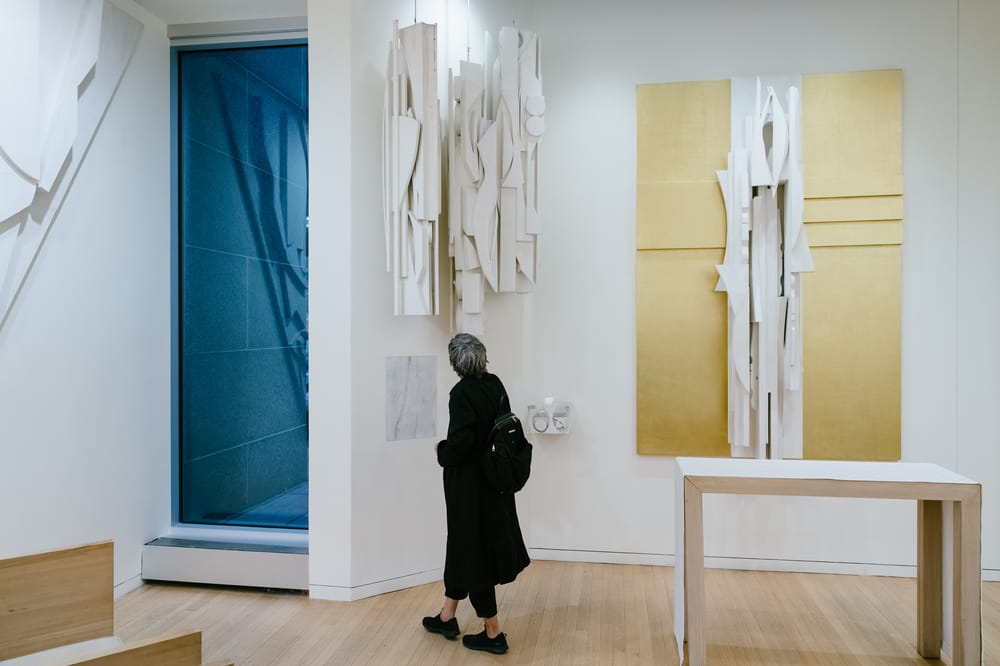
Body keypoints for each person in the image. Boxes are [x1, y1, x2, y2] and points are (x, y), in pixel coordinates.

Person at [422, 333, 530, 655]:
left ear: (455, 362)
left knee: (474, 553)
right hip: (494, 481)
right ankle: (447, 616)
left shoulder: (461, 394)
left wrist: (441, 450)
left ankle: (493, 633)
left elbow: (462, 444)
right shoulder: (494, 384)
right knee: (462, 546)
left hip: (469, 488)